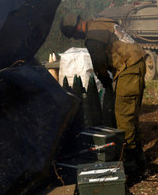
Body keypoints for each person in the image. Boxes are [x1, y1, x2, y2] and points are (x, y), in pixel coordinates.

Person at [60, 13, 147, 177]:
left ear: (77, 28)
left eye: (74, 35)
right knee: (131, 112)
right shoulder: (99, 21)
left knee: (123, 115)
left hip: (128, 67)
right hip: (137, 61)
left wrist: (106, 83)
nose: (76, 38)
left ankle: (131, 162)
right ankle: (139, 157)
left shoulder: (92, 38)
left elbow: (99, 66)